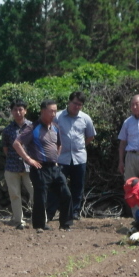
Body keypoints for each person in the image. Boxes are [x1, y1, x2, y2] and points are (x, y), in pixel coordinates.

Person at [13, 99, 72, 232]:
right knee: (41, 197)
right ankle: (40, 225)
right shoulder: (33, 127)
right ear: (43, 111)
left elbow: (59, 144)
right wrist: (29, 159)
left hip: (54, 167)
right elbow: (17, 143)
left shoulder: (55, 127)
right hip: (40, 167)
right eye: (51, 111)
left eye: (55, 111)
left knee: (66, 194)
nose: (53, 114)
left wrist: (56, 158)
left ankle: (65, 224)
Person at [53, 91, 96, 221]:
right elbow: (50, 135)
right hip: (61, 157)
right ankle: (56, 210)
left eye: (80, 104)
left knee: (78, 186)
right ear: (69, 102)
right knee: (58, 185)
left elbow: (90, 136)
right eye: (75, 103)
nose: (76, 106)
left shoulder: (85, 118)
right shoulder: (58, 117)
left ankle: (75, 212)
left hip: (79, 158)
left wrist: (80, 146)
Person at [1, 99, 34, 230]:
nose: (18, 112)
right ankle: (19, 220)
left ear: (25, 111)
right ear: (11, 111)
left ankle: (39, 218)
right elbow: (5, 149)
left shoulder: (33, 127)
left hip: (30, 166)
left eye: (20, 109)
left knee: (36, 192)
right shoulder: (8, 130)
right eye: (15, 110)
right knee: (14, 194)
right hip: (12, 166)